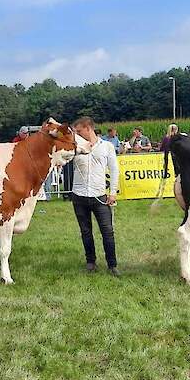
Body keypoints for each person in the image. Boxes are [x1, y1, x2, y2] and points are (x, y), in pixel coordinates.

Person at [70, 117, 119, 276]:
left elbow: (114, 170)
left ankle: (112, 265)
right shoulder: (75, 147)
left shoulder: (107, 147)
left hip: (100, 196)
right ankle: (90, 261)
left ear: (88, 128)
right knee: (85, 231)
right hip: (79, 195)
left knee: (107, 231)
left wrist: (112, 192)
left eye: (79, 131)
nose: (77, 135)